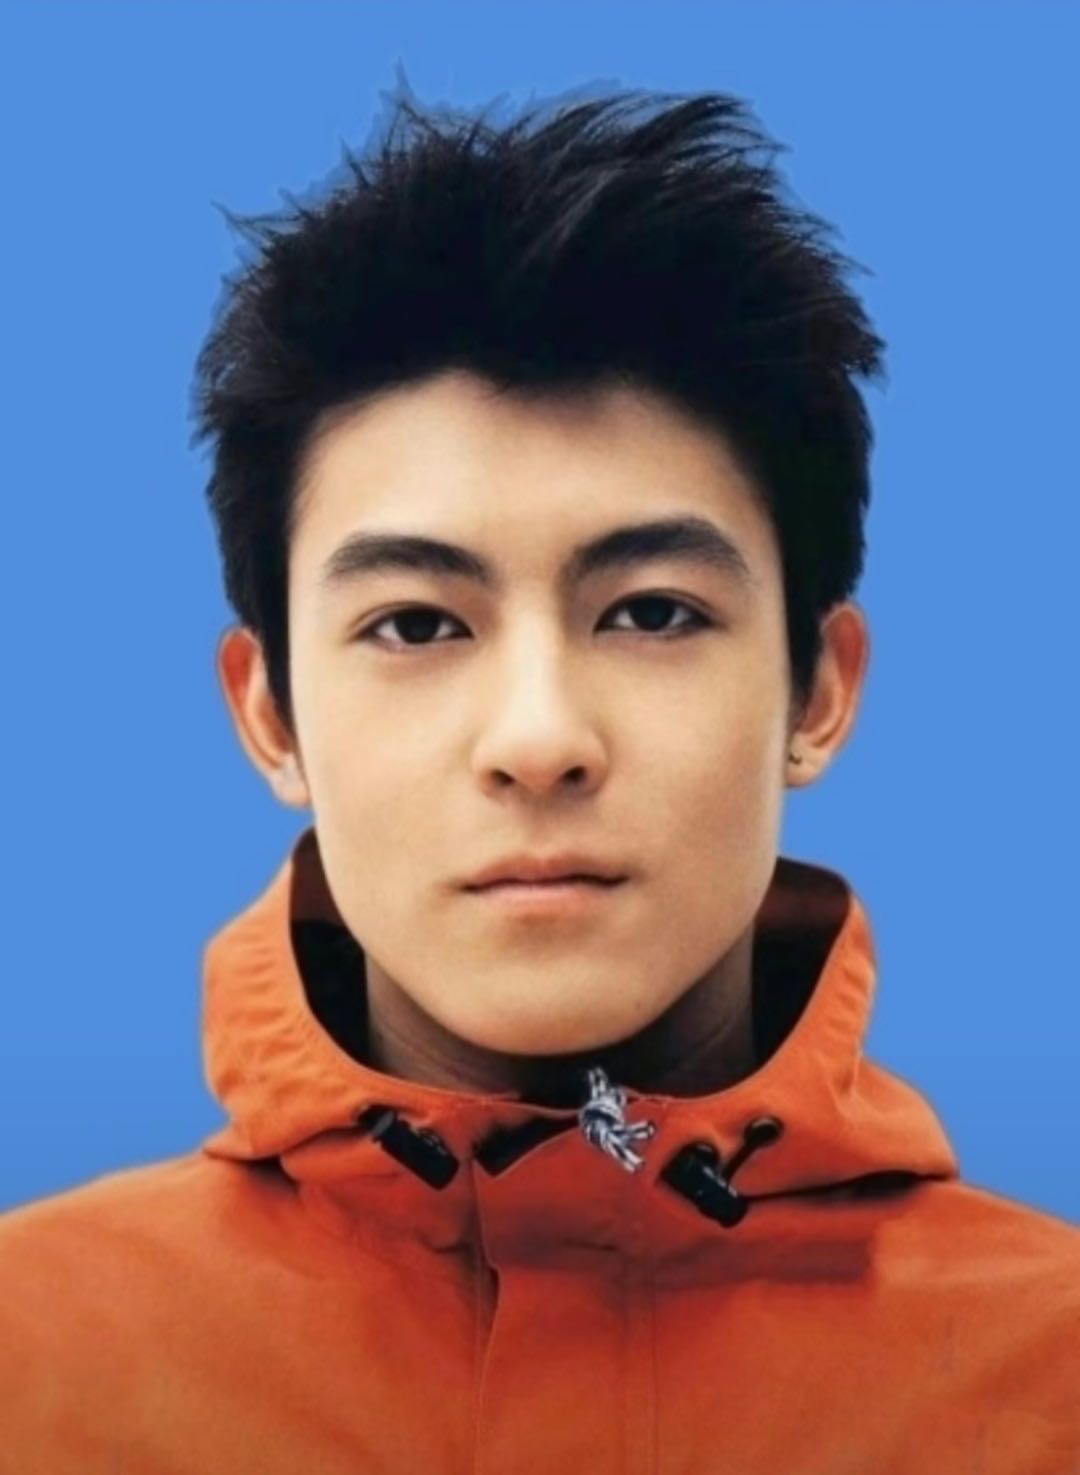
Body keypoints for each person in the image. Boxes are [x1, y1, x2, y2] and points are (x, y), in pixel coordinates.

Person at [1, 80, 1076, 1474]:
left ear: (818, 691)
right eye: (415, 625)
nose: (538, 737)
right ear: (270, 717)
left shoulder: (1053, 1367)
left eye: (651, 612)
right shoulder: (33, 1356)